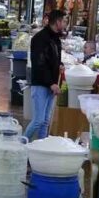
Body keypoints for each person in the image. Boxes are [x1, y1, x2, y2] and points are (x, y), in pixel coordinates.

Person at [25, 9, 66, 141]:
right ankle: (21, 143)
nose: (65, 24)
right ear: (57, 22)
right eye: (64, 21)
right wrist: (51, 83)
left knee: (45, 121)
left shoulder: (55, 38)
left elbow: (52, 59)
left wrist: (60, 64)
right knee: (38, 120)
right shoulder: (40, 38)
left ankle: (42, 145)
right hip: (41, 84)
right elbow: (39, 64)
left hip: (50, 84)